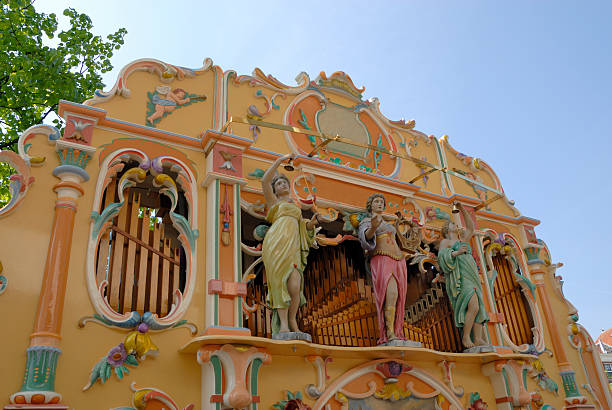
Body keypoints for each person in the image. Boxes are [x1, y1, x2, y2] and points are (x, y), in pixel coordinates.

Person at [261, 154, 319, 336]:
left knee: (295, 285)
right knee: (280, 283)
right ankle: (284, 325)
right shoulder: (274, 203)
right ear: (275, 190)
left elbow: (303, 226)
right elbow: (264, 180)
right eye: (279, 184)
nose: (283, 185)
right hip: (276, 242)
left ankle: (293, 320)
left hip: (293, 245)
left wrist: (312, 223)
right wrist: (280, 160)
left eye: (284, 182)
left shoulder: (295, 206)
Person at [358, 193, 408, 345]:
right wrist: (373, 227)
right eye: (376, 201)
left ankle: (397, 330)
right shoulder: (367, 221)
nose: (380, 204)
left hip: (398, 259)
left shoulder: (388, 222)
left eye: (381, 202)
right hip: (382, 258)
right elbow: (365, 238)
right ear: (370, 205)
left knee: (399, 296)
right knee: (390, 293)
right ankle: (389, 332)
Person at [438, 202, 489, 349]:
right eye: (453, 225)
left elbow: (471, 227)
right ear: (447, 229)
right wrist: (457, 253)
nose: (456, 225)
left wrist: (462, 209)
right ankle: (466, 337)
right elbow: (442, 257)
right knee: (472, 305)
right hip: (461, 277)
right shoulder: (446, 242)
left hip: (471, 273)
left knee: (478, 306)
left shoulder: (463, 240)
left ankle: (478, 338)